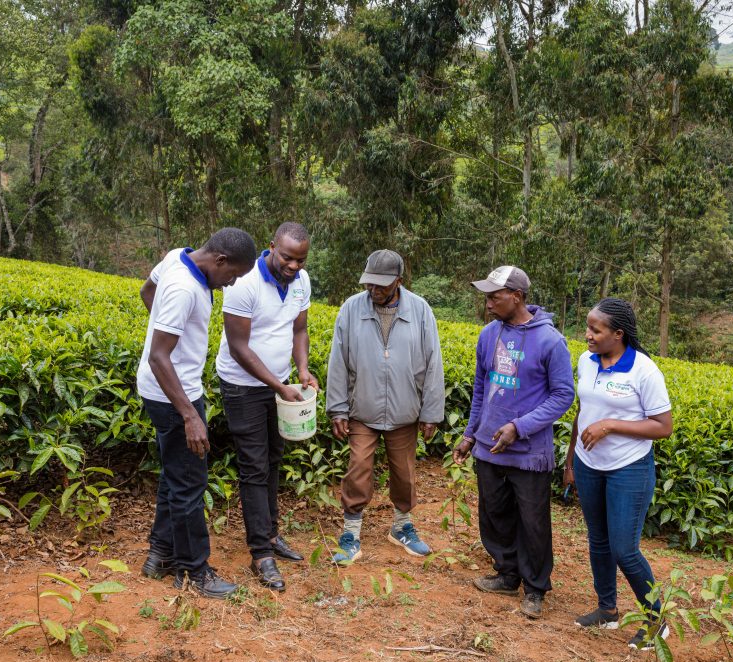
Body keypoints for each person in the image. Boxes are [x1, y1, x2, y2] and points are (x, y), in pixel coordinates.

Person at [137, 228, 257, 599]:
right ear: (220, 260)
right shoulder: (185, 289)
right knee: (190, 483)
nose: (229, 284)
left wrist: (172, 327)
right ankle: (195, 570)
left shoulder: (178, 255)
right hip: (175, 396)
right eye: (232, 275)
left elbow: (146, 291)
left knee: (175, 475)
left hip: (168, 389)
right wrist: (190, 416)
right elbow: (160, 357)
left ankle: (160, 554)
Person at [451, 266, 574, 619]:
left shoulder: (550, 341)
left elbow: (563, 395)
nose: (488, 304)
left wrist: (519, 427)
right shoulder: (489, 335)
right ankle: (507, 574)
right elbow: (481, 389)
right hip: (488, 446)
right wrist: (470, 434)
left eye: (495, 296)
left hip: (529, 452)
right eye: (487, 297)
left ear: (517, 297)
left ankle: (535, 588)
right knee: (495, 515)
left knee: (533, 522)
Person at [563, 297, 673, 650]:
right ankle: (607, 609)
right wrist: (569, 462)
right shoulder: (586, 361)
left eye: (596, 330)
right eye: (588, 328)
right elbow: (584, 411)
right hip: (588, 464)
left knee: (625, 548)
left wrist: (610, 425)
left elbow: (663, 426)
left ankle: (656, 619)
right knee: (598, 540)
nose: (588, 336)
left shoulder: (644, 370)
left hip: (629, 469)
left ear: (618, 334)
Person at [215, 221, 319, 592]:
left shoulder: (302, 282)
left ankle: (271, 534)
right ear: (272, 246)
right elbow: (240, 348)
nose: (294, 266)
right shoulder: (243, 284)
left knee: (275, 459)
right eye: (288, 258)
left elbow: (299, 330)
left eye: (301, 260)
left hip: (281, 384)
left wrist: (302, 371)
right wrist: (279, 385)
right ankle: (260, 552)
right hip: (243, 386)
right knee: (254, 465)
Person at [325, 250, 445, 563]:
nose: (374, 290)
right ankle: (350, 532)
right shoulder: (351, 309)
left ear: (398, 282)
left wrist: (431, 412)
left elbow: (433, 364)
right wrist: (337, 408)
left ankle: (402, 527)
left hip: (406, 411)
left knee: (404, 473)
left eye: (381, 285)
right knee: (359, 468)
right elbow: (338, 362)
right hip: (362, 409)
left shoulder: (420, 310)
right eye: (370, 284)